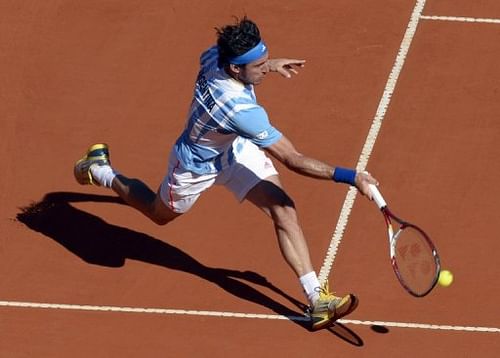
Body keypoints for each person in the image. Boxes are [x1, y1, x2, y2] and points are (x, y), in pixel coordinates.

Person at [74, 16, 378, 331]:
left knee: (283, 207)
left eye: (264, 60)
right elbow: (292, 158)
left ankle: (316, 300)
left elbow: (228, 62)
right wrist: (351, 177)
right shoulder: (240, 111)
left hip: (233, 149)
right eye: (257, 65)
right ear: (235, 69)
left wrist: (269, 65)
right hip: (195, 165)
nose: (264, 68)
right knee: (158, 213)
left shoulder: (213, 56)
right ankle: (101, 169)